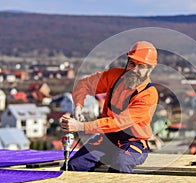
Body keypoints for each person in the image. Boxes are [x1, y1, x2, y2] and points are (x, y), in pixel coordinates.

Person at [60, 41, 158, 173]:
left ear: (150, 69)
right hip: (107, 139)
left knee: (121, 164)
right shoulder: (114, 76)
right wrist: (78, 106)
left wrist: (81, 127)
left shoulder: (148, 95)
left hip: (133, 142)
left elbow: (118, 123)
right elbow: (83, 85)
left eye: (141, 66)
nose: (134, 70)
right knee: (75, 165)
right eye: (132, 64)